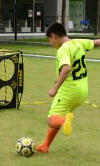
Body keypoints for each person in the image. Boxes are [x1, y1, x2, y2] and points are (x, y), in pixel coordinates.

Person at [36, 23, 100, 153]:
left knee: (51, 120)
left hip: (69, 91)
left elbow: (66, 68)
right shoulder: (78, 42)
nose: (50, 43)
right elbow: (97, 42)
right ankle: (45, 146)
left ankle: (65, 121)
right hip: (82, 90)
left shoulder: (63, 50)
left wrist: (55, 88)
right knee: (58, 116)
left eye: (49, 40)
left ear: (54, 36)